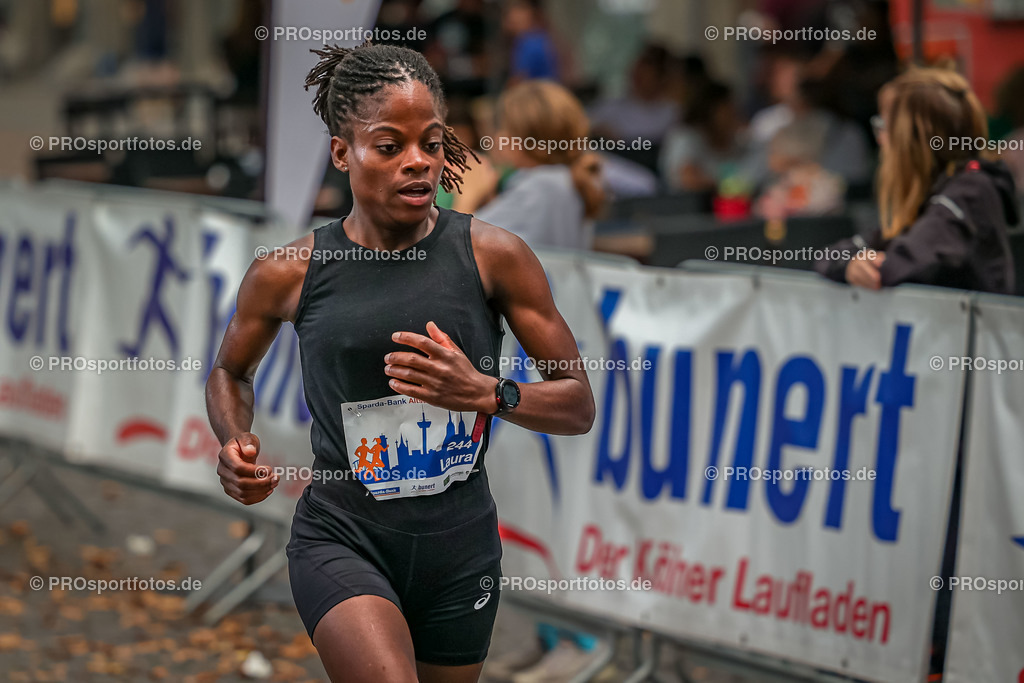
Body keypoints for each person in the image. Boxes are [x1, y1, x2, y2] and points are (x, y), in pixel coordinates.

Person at [205, 42, 595, 683]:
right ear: (342, 153)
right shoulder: (288, 272)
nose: (417, 164)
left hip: (459, 546)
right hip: (343, 534)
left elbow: (577, 403)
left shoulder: (496, 256)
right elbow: (229, 372)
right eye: (389, 147)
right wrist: (234, 440)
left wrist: (489, 392)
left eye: (433, 144)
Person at [815, 67, 1017, 294]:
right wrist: (851, 264)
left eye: (883, 126)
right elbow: (829, 255)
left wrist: (869, 266)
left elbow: (901, 265)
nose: (880, 140)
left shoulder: (970, 189)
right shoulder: (926, 198)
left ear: (913, 140)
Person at [460, 79, 606, 251]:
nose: (498, 136)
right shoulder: (568, 177)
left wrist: (468, 194)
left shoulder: (540, 186)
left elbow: (459, 244)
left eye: (505, 127)